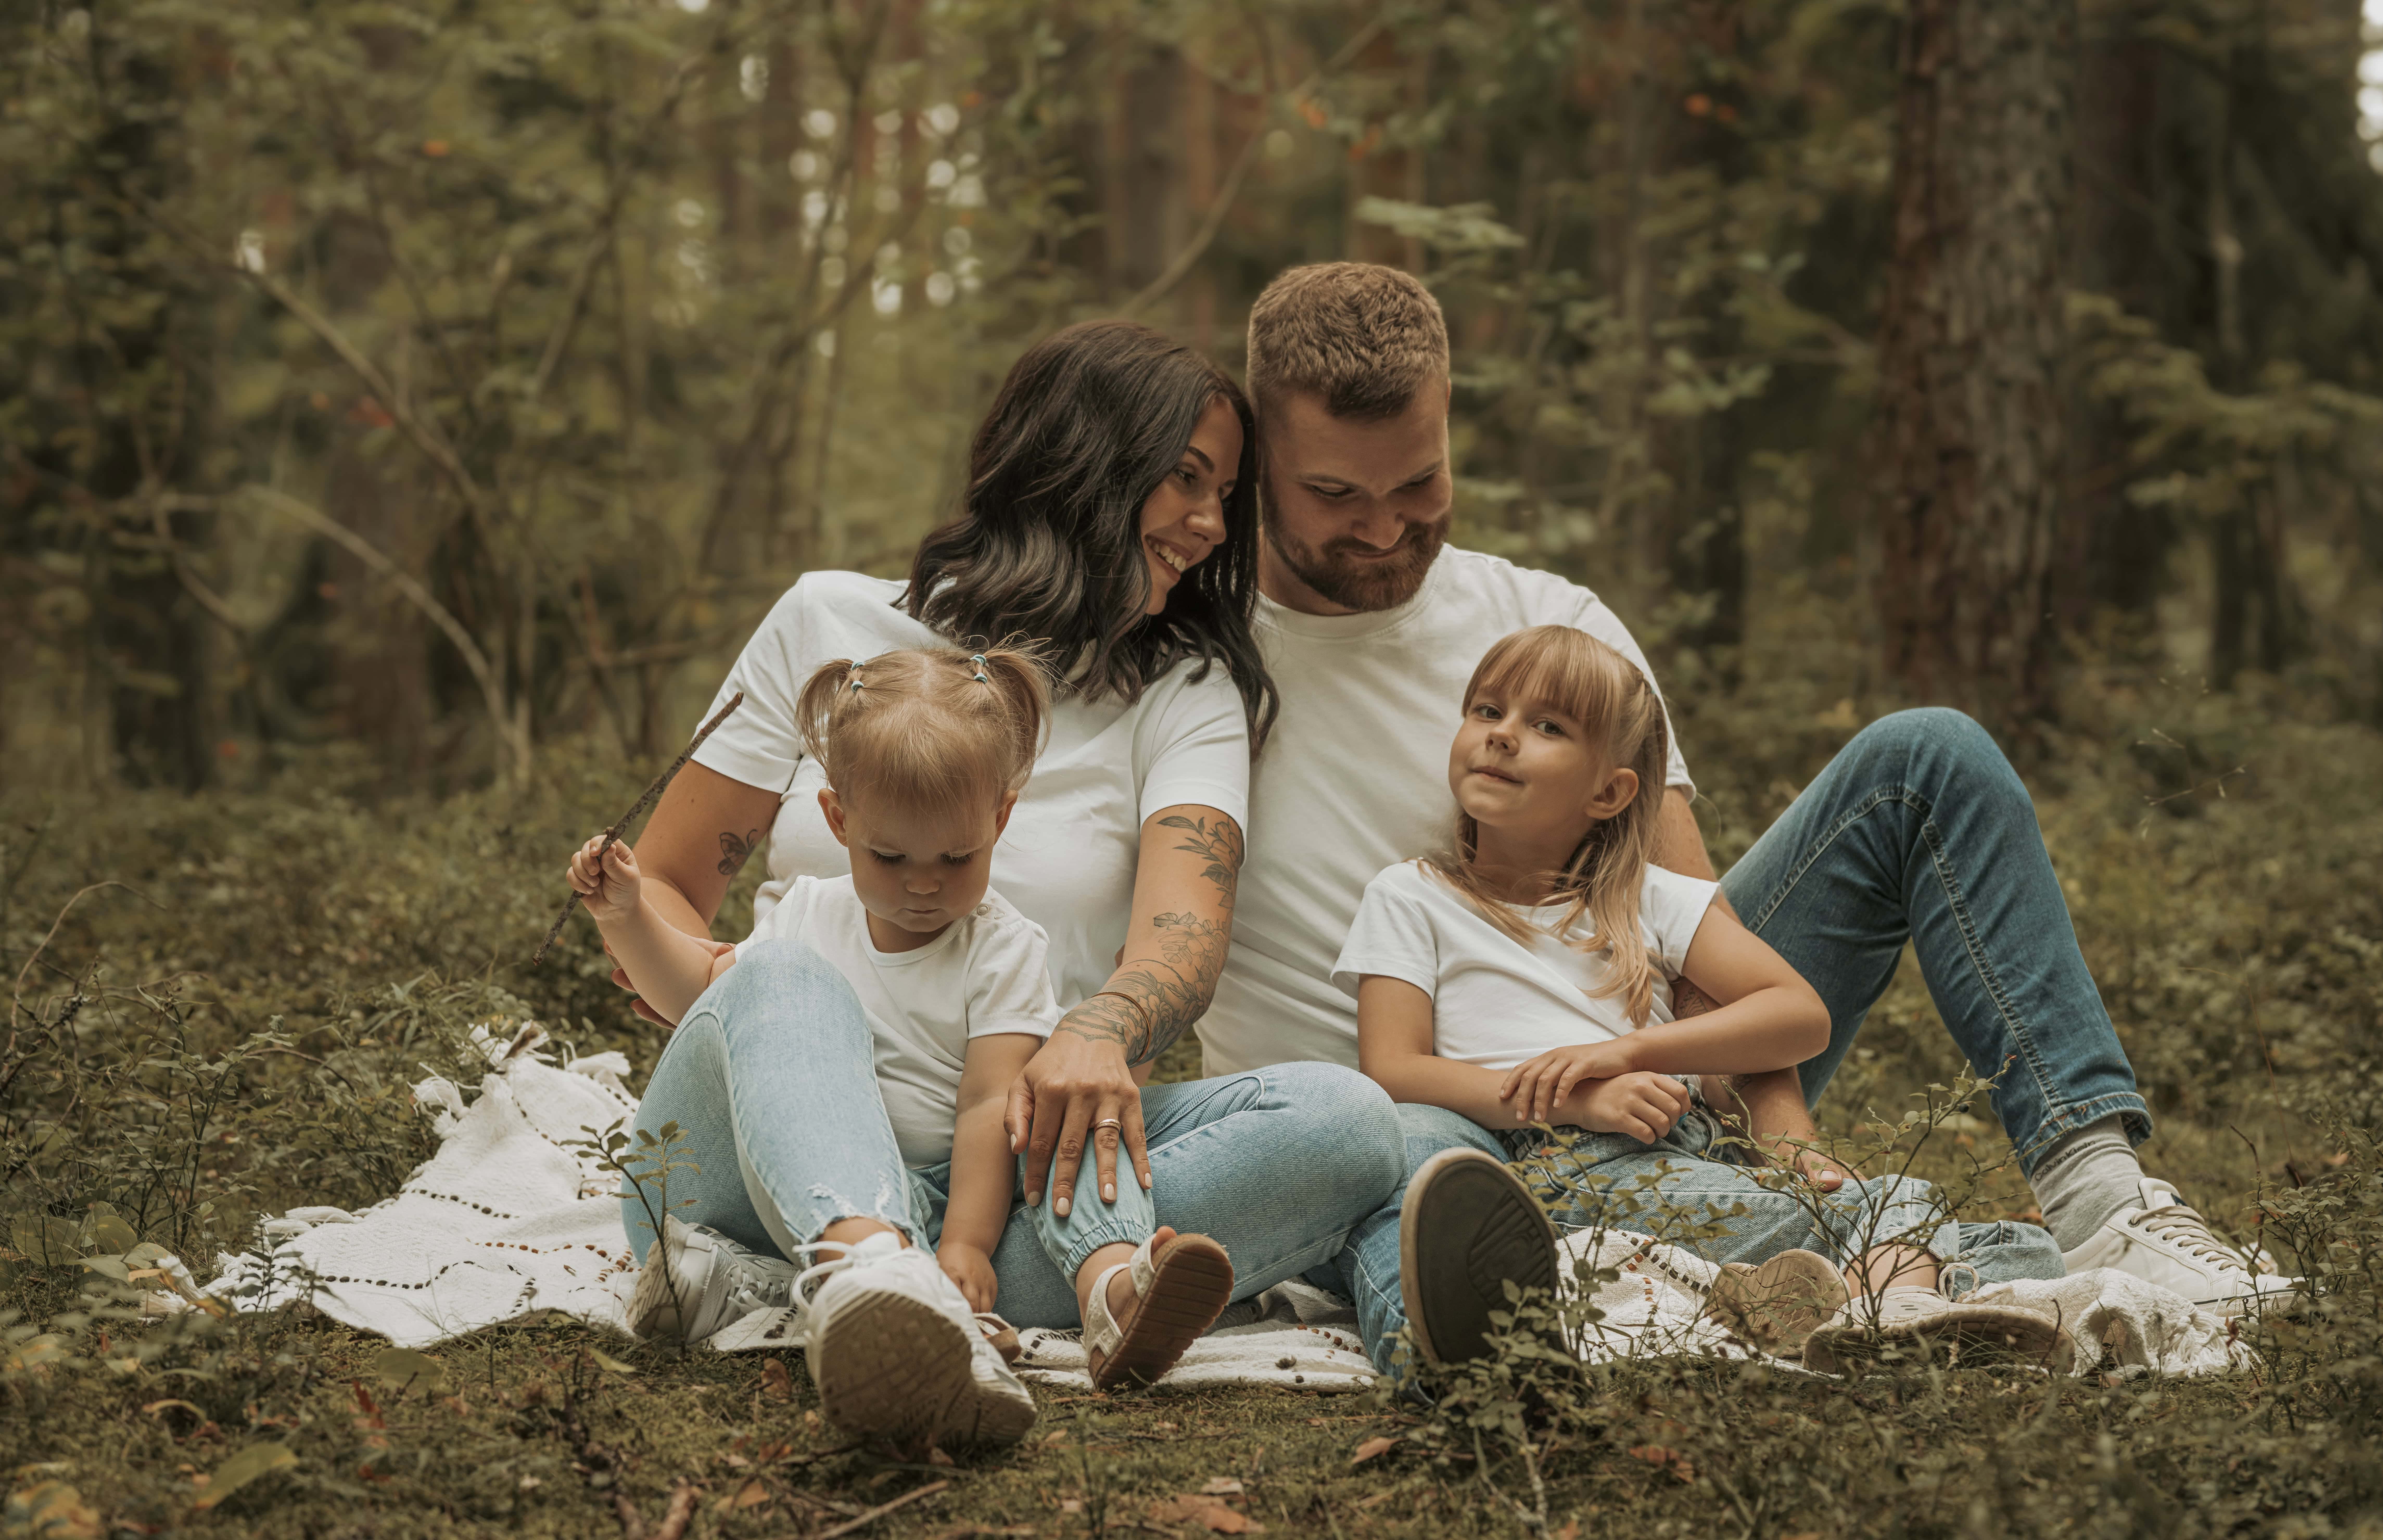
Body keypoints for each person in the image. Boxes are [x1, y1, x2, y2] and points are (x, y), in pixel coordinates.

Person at [1206, 262, 2291, 1374]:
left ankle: (2103, 1204)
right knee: (1437, 1168)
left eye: (1420, 484)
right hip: (1423, 1125)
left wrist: (1780, 1136)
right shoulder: (1199, 661)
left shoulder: (1550, 626)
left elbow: (1687, 933)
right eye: (1337, 496)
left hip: (1646, 1082)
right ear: (1258, 468)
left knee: (1928, 759)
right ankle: (1926, 1269)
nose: (1386, 529)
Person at [612, 321, 1406, 1439]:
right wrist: (728, 995)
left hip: (1004, 1178)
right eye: (1184, 480)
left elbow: (1184, 933)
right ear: (1083, 464)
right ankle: (858, 1266)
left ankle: (938, 1292)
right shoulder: (826, 625)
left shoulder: (1182, 691)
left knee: (1348, 1121)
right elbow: (668, 888)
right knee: (783, 978)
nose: (1212, 526)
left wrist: (1097, 1031)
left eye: (1225, 493)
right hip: (757, 1158)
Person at [1343, 624, 2063, 1372]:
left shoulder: (1651, 900)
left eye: (1547, 726)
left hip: (1684, 1161)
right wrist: (1578, 1099)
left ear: (1610, 791)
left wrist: (1630, 1050)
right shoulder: (1414, 895)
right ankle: (1880, 1324)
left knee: (2026, 1246)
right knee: (1899, 1207)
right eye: (1487, 712)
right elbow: (1395, 1071)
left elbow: (1798, 1016)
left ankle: (1796, 1299)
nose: (1502, 737)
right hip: (1558, 1163)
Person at [570, 646, 1243, 1443]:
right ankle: (880, 1272)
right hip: (724, 1196)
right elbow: (694, 993)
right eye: (890, 857)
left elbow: (990, 1101)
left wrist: (964, 1240)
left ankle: (1097, 1290)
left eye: (957, 859)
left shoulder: (1003, 949)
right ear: (838, 820)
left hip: (920, 1203)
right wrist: (628, 915)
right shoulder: (806, 917)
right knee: (778, 976)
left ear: (1000, 817)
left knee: (1071, 1115)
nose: (924, 885)